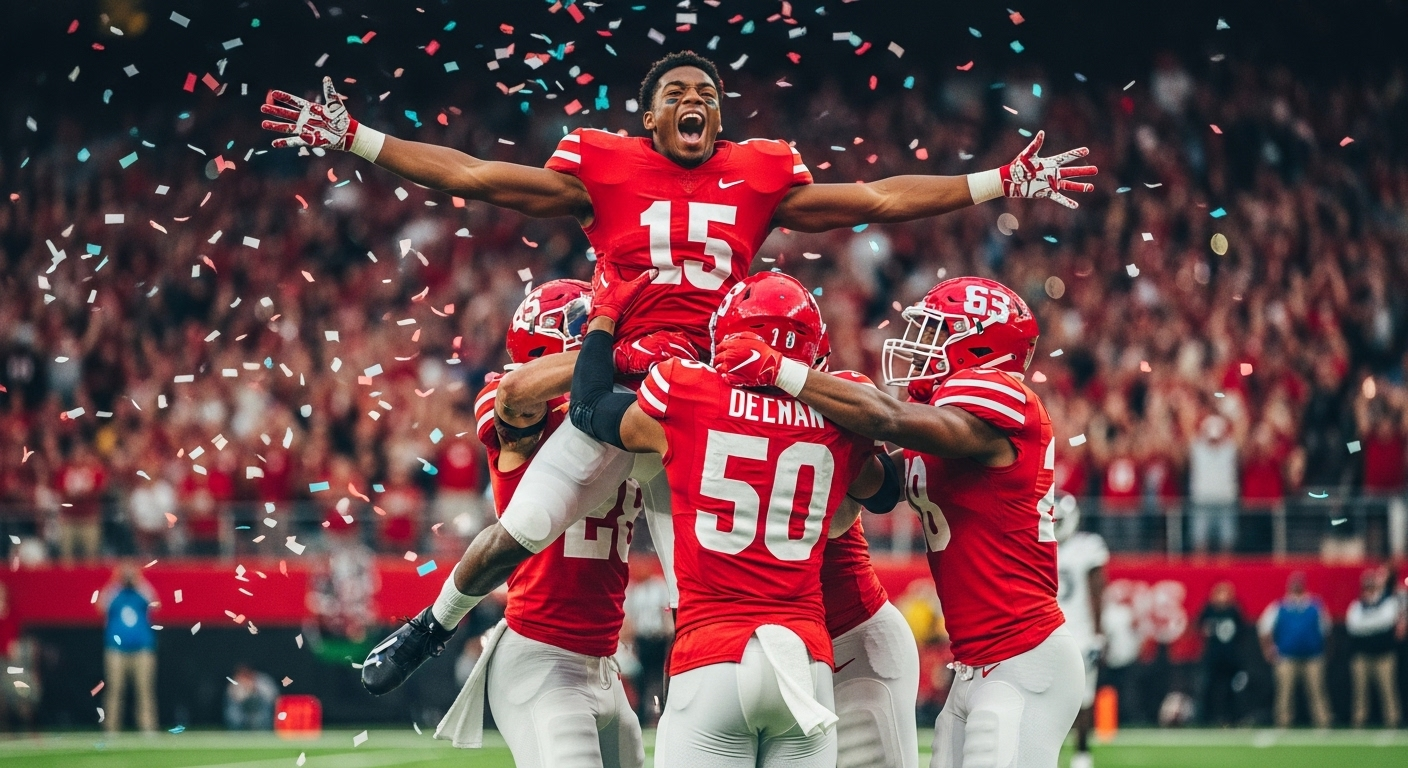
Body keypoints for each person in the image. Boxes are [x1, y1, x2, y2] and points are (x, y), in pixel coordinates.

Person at [261, 51, 1096, 692]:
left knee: (728, 570)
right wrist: (358, 139)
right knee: (523, 528)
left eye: (707, 94)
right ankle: (431, 627)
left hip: (704, 402)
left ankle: (775, 682)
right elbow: (476, 178)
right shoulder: (603, 166)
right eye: (677, 93)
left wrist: (998, 180)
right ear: (649, 116)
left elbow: (876, 197)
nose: (695, 100)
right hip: (620, 383)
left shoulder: (756, 173)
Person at [714, 276, 1085, 768]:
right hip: (976, 666)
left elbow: (887, 418)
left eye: (936, 333)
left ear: (980, 345)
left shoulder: (1003, 396)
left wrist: (785, 372)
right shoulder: (946, 423)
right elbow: (880, 487)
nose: (919, 347)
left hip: (1022, 657)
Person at [569, 270, 899, 766]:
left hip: (713, 654)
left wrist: (604, 321)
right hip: (805, 660)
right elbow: (885, 490)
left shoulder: (687, 390)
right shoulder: (841, 413)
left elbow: (588, 407)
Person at [421, 281, 649, 768]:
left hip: (603, 660)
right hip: (542, 654)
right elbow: (517, 394)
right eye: (596, 328)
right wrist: (615, 354)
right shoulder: (519, 406)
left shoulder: (629, 409)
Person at [1053, 495, 1108, 768]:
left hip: (1079, 633)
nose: (1054, 525)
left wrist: (1098, 634)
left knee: (1084, 697)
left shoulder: (1087, 547)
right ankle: (1054, 750)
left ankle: (1082, 752)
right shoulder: (1039, 544)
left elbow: (1097, 592)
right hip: (1051, 632)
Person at [1257, 572, 1333, 728]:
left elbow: (1327, 630)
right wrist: (1268, 650)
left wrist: (1326, 652)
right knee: (1284, 692)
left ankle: (1322, 721)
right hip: (1286, 656)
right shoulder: (1279, 606)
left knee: (1317, 691)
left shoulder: (1315, 606)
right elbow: (1263, 628)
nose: (1296, 587)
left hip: (1313, 656)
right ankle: (1283, 722)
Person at [98, 563, 158, 734]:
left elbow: (155, 603)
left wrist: (139, 580)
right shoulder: (115, 593)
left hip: (142, 649)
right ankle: (111, 728)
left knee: (145, 690)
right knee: (114, 689)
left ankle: (148, 727)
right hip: (116, 649)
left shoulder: (141, 593)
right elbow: (101, 606)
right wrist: (116, 581)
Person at [1345, 566, 1404, 728]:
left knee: (1388, 690)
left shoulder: (1388, 602)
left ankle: (1393, 720)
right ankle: (1359, 721)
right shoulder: (1357, 605)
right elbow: (1353, 626)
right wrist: (1373, 622)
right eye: (1367, 587)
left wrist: (1367, 622)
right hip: (1362, 656)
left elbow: (1385, 622)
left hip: (1384, 655)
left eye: (1372, 586)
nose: (1369, 590)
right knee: (1360, 692)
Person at [622, 573, 674, 727]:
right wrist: (631, 643)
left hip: (658, 638)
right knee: (642, 680)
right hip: (642, 639)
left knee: (659, 679)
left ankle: (658, 714)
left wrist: (669, 635)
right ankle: (642, 716)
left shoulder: (659, 587)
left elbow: (666, 612)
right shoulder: (634, 590)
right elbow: (630, 617)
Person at [1197, 581, 1249, 726]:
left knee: (1231, 690)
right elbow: (1199, 627)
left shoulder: (1234, 611)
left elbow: (1242, 632)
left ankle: (1231, 718)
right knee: (1209, 688)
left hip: (1230, 658)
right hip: (1213, 657)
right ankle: (1207, 718)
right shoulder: (1208, 610)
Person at [224, 664, 278, 731]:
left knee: (266, 708)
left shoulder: (263, 680)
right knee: (232, 708)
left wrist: (255, 689)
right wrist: (245, 690)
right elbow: (233, 697)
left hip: (259, 708)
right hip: (242, 709)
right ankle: (236, 731)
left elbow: (272, 696)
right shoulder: (235, 681)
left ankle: (263, 730)